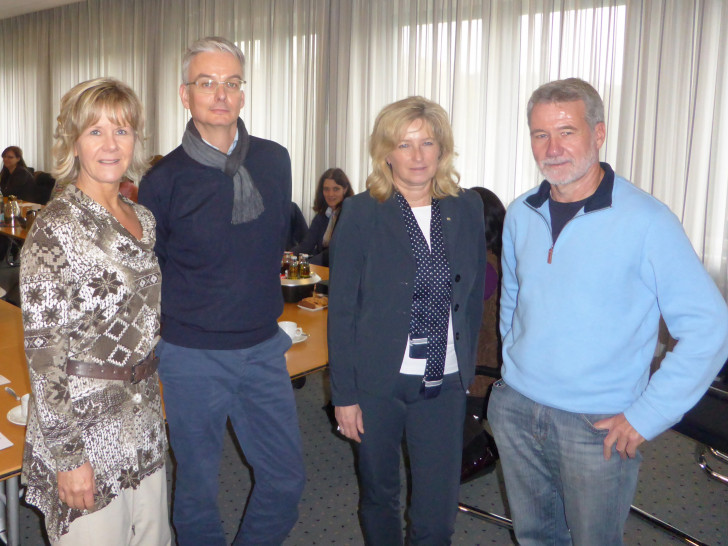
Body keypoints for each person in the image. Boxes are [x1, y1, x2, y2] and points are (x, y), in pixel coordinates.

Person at [488, 78, 728, 545]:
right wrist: (512, 372)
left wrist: (647, 414)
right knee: (535, 536)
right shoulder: (520, 213)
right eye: (540, 134)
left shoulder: (647, 221)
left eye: (567, 131)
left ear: (598, 134)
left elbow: (711, 327)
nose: (552, 148)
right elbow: (514, 302)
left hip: (595, 424)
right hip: (516, 406)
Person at [138, 36, 305, 546]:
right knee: (197, 490)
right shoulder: (163, 180)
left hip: (262, 349)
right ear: (185, 95)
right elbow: (154, 269)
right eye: (207, 83)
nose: (221, 94)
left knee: (286, 480)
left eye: (232, 83)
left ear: (243, 94)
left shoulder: (275, 161)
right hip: (191, 356)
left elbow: (279, 236)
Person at [19, 77, 170, 545]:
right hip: (85, 434)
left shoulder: (142, 219)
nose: (110, 144)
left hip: (143, 420)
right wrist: (68, 458)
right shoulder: (54, 229)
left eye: (122, 131)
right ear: (73, 141)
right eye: (95, 131)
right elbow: (44, 358)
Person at [329, 96, 486, 545]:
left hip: (444, 380)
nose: (417, 156)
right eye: (405, 144)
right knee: (379, 493)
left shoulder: (467, 207)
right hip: (378, 381)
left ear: (442, 150)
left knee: (437, 513)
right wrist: (345, 394)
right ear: (386, 153)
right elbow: (342, 310)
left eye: (427, 143)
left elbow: (473, 296)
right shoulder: (360, 212)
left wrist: (467, 370)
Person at [291, 167, 354, 266]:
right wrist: (286, 257)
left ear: (345, 190)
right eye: (326, 189)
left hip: (341, 269)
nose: (330, 194)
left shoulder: (350, 216)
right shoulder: (321, 216)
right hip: (322, 269)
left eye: (336, 189)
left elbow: (335, 251)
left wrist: (307, 264)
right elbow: (306, 246)